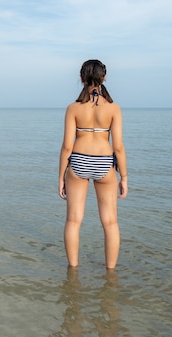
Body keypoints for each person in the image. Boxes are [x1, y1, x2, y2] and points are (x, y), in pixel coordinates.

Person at [58, 59, 128, 269]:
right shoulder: (114, 108)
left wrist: (61, 176)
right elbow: (118, 148)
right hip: (104, 163)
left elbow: (67, 147)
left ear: (81, 78)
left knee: (73, 220)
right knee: (110, 222)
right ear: (104, 77)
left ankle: (73, 272)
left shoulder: (73, 108)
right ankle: (111, 273)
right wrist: (124, 176)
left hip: (78, 160)